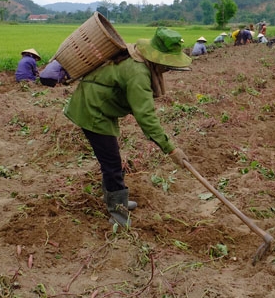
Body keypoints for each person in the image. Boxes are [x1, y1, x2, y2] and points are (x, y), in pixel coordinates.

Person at [64, 27, 192, 228]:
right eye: (167, 64)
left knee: (111, 159)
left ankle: (117, 201)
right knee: (112, 163)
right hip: (92, 110)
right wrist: (171, 149)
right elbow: (146, 116)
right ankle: (118, 214)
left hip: (99, 105)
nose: (168, 69)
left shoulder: (137, 56)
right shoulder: (138, 73)